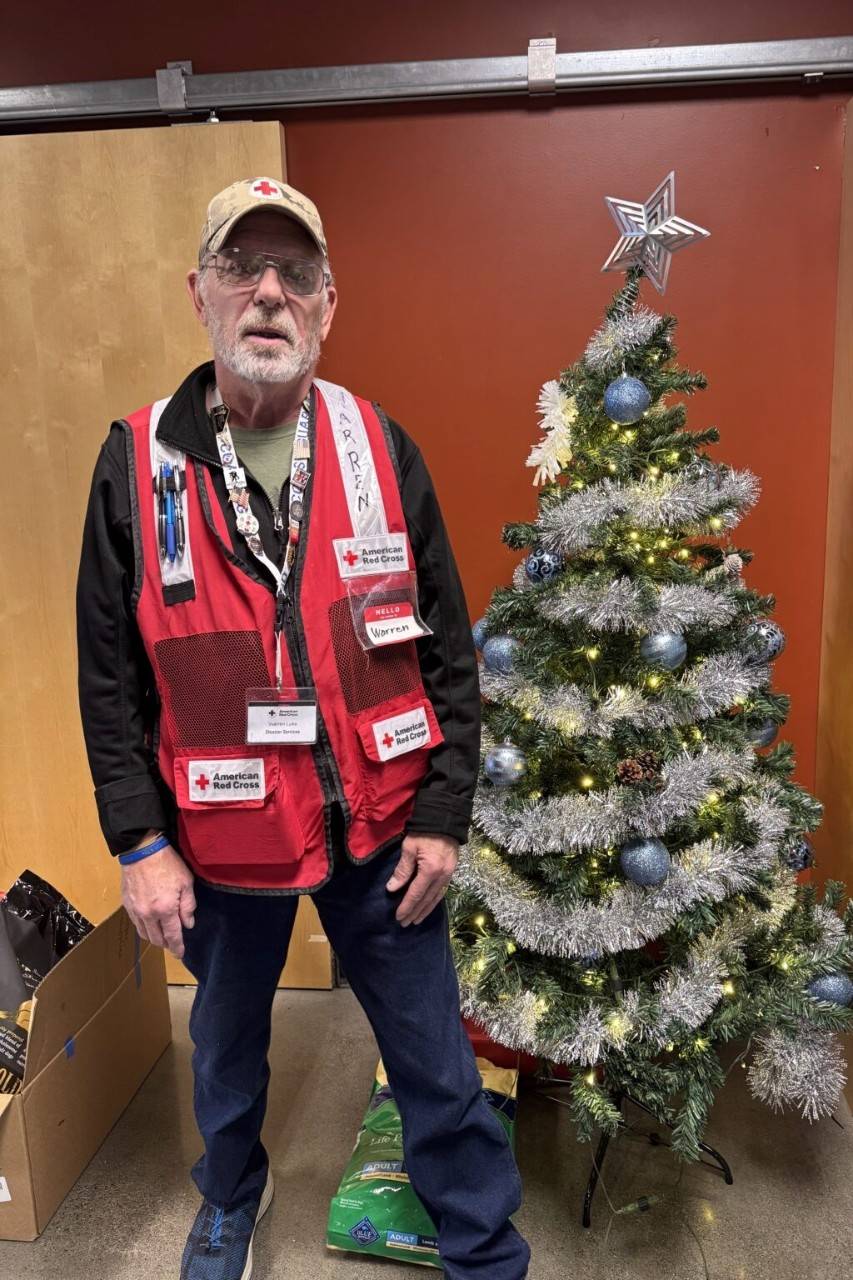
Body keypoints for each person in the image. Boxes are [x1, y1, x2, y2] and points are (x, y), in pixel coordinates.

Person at [76, 176, 530, 1280]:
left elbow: (447, 652)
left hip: (382, 835)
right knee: (225, 1053)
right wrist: (139, 843)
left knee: (434, 1062)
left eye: (296, 274)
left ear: (330, 304)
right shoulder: (138, 464)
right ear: (201, 295)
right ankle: (229, 1196)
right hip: (224, 845)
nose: (268, 293)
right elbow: (106, 679)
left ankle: (482, 1245)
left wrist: (443, 815)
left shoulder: (381, 445)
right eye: (243, 267)